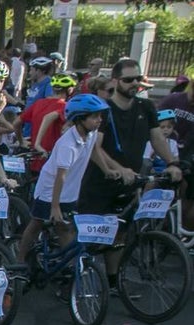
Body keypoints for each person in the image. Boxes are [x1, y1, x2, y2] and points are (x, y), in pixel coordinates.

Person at [79, 57, 182, 290]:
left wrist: (172, 163)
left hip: (130, 181)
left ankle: (113, 284)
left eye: (138, 78)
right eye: (128, 80)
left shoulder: (146, 107)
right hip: (100, 182)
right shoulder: (104, 111)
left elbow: (157, 138)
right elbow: (95, 147)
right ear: (116, 81)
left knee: (120, 235)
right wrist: (119, 169)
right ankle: (76, 283)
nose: (134, 83)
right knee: (92, 235)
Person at [16, 94, 107, 270]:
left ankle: (71, 268)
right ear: (80, 119)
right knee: (36, 223)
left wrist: (107, 170)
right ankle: (20, 260)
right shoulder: (68, 144)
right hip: (50, 190)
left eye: (100, 116)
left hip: (69, 191)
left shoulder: (91, 133)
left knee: (64, 228)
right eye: (95, 116)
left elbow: (94, 151)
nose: (99, 120)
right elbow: (60, 176)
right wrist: (55, 206)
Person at [25, 73, 76, 174]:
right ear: (69, 90)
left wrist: (21, 140)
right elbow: (48, 117)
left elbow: (17, 122)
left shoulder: (38, 103)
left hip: (35, 156)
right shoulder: (66, 106)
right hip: (51, 157)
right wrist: (38, 144)